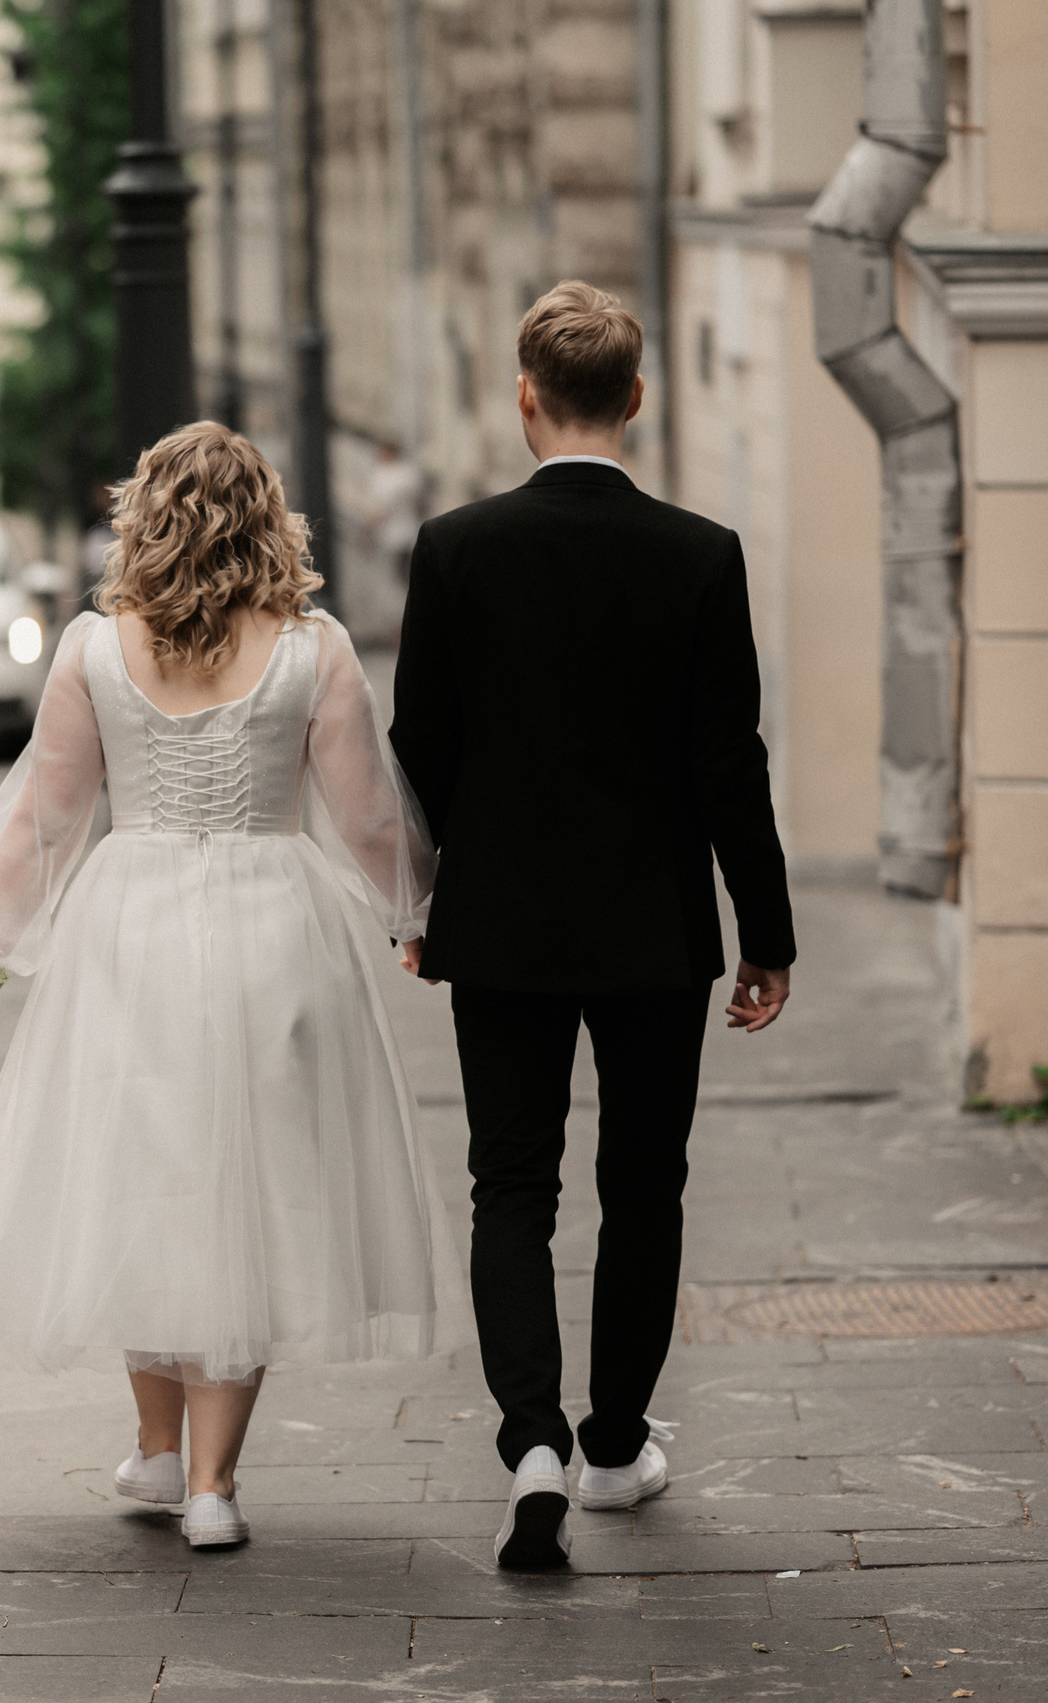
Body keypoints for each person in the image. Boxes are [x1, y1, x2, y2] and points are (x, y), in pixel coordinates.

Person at [0, 421, 468, 1552]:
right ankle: (212, 1483)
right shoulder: (312, 648)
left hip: (128, 927)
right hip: (277, 922)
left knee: (149, 1173)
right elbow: (369, 815)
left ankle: (157, 1446)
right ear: (268, 518)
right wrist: (414, 916)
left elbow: (43, 826)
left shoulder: (92, 648)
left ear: (144, 516)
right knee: (253, 1182)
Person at [389, 280, 795, 1571]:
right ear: (636, 397)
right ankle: (615, 1443)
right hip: (652, 928)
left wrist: (416, 903)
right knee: (643, 1180)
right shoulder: (701, 554)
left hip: (501, 922)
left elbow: (419, 750)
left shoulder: (455, 548)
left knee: (510, 1181)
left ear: (525, 398)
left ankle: (531, 1442)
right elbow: (729, 762)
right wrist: (765, 931)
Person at [363, 440, 428, 587]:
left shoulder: (404, 474)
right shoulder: (380, 472)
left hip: (402, 526)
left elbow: (391, 501)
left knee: (402, 567)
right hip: (387, 530)